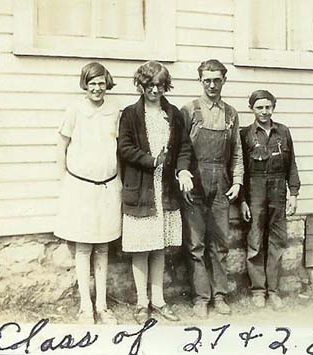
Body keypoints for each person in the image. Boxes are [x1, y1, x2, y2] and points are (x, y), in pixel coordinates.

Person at [118, 61, 192, 324]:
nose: (155, 91)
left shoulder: (172, 113)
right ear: (141, 85)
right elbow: (124, 148)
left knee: (159, 247)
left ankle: (159, 301)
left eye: (160, 86)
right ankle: (141, 303)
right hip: (141, 188)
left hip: (165, 191)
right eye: (150, 85)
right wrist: (151, 161)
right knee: (141, 248)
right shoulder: (130, 114)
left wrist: (182, 170)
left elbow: (183, 148)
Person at [54, 62, 121, 324]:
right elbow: (62, 145)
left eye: (101, 83)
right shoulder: (75, 110)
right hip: (80, 186)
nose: (97, 88)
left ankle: (102, 305)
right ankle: (85, 306)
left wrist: (121, 182)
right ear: (85, 84)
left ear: (107, 84)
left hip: (108, 186)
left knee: (103, 246)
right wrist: (64, 180)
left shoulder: (114, 109)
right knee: (83, 247)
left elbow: (118, 149)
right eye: (92, 83)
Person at [178, 59, 244, 318]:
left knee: (220, 243)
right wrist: (183, 177)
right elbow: (180, 150)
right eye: (207, 80)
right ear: (200, 81)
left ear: (224, 81)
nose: (212, 85)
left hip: (221, 182)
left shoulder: (231, 114)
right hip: (194, 182)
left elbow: (237, 152)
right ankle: (200, 298)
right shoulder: (189, 111)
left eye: (217, 80)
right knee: (196, 244)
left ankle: (219, 296)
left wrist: (237, 181)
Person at [240, 90, 300, 310]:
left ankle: (273, 291)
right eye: (259, 107)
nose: (264, 112)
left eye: (268, 107)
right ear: (252, 109)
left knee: (277, 241)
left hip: (278, 191)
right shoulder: (246, 134)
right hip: (255, 190)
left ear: (273, 107)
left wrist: (293, 194)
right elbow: (241, 170)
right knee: (255, 241)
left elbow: (291, 165)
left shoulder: (283, 132)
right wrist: (243, 201)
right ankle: (258, 290)